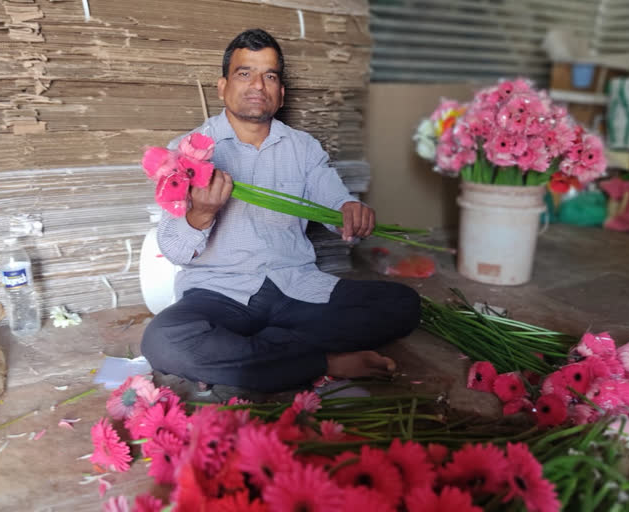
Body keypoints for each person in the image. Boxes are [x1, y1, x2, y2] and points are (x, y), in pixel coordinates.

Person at [141, 29, 421, 392]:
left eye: (269, 76)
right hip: (219, 295)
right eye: (245, 73)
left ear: (281, 93)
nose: (258, 84)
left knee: (403, 305)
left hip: (296, 289)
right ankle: (325, 361)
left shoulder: (302, 148)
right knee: (162, 340)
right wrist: (201, 214)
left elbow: (334, 200)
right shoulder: (188, 151)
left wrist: (350, 210)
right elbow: (176, 250)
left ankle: (260, 356)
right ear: (222, 86)